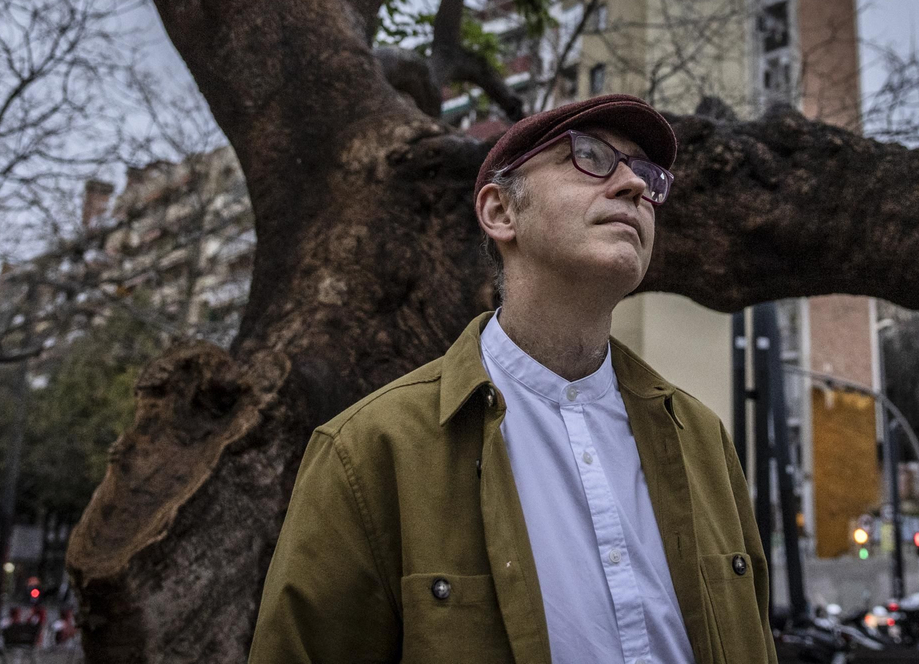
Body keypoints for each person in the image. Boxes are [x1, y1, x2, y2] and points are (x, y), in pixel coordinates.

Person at [248, 94, 778, 664]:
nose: (633, 186)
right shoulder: (369, 450)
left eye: (646, 173)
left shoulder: (704, 441)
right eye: (592, 156)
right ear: (501, 213)